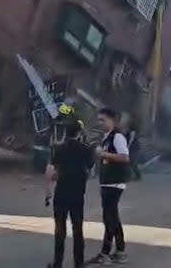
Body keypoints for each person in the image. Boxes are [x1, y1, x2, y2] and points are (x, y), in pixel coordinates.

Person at [45, 110, 94, 268]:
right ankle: (78, 264)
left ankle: (57, 263)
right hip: (77, 195)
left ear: (66, 133)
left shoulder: (59, 149)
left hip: (61, 195)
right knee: (77, 229)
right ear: (79, 133)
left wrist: (48, 193)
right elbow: (90, 171)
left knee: (60, 231)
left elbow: (50, 172)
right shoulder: (86, 149)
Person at [92, 107, 131, 264]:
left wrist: (104, 154)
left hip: (114, 183)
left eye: (103, 120)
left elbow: (124, 157)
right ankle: (119, 250)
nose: (100, 123)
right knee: (112, 217)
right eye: (99, 120)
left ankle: (105, 253)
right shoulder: (106, 138)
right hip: (108, 182)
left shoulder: (117, 137)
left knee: (109, 218)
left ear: (112, 121)